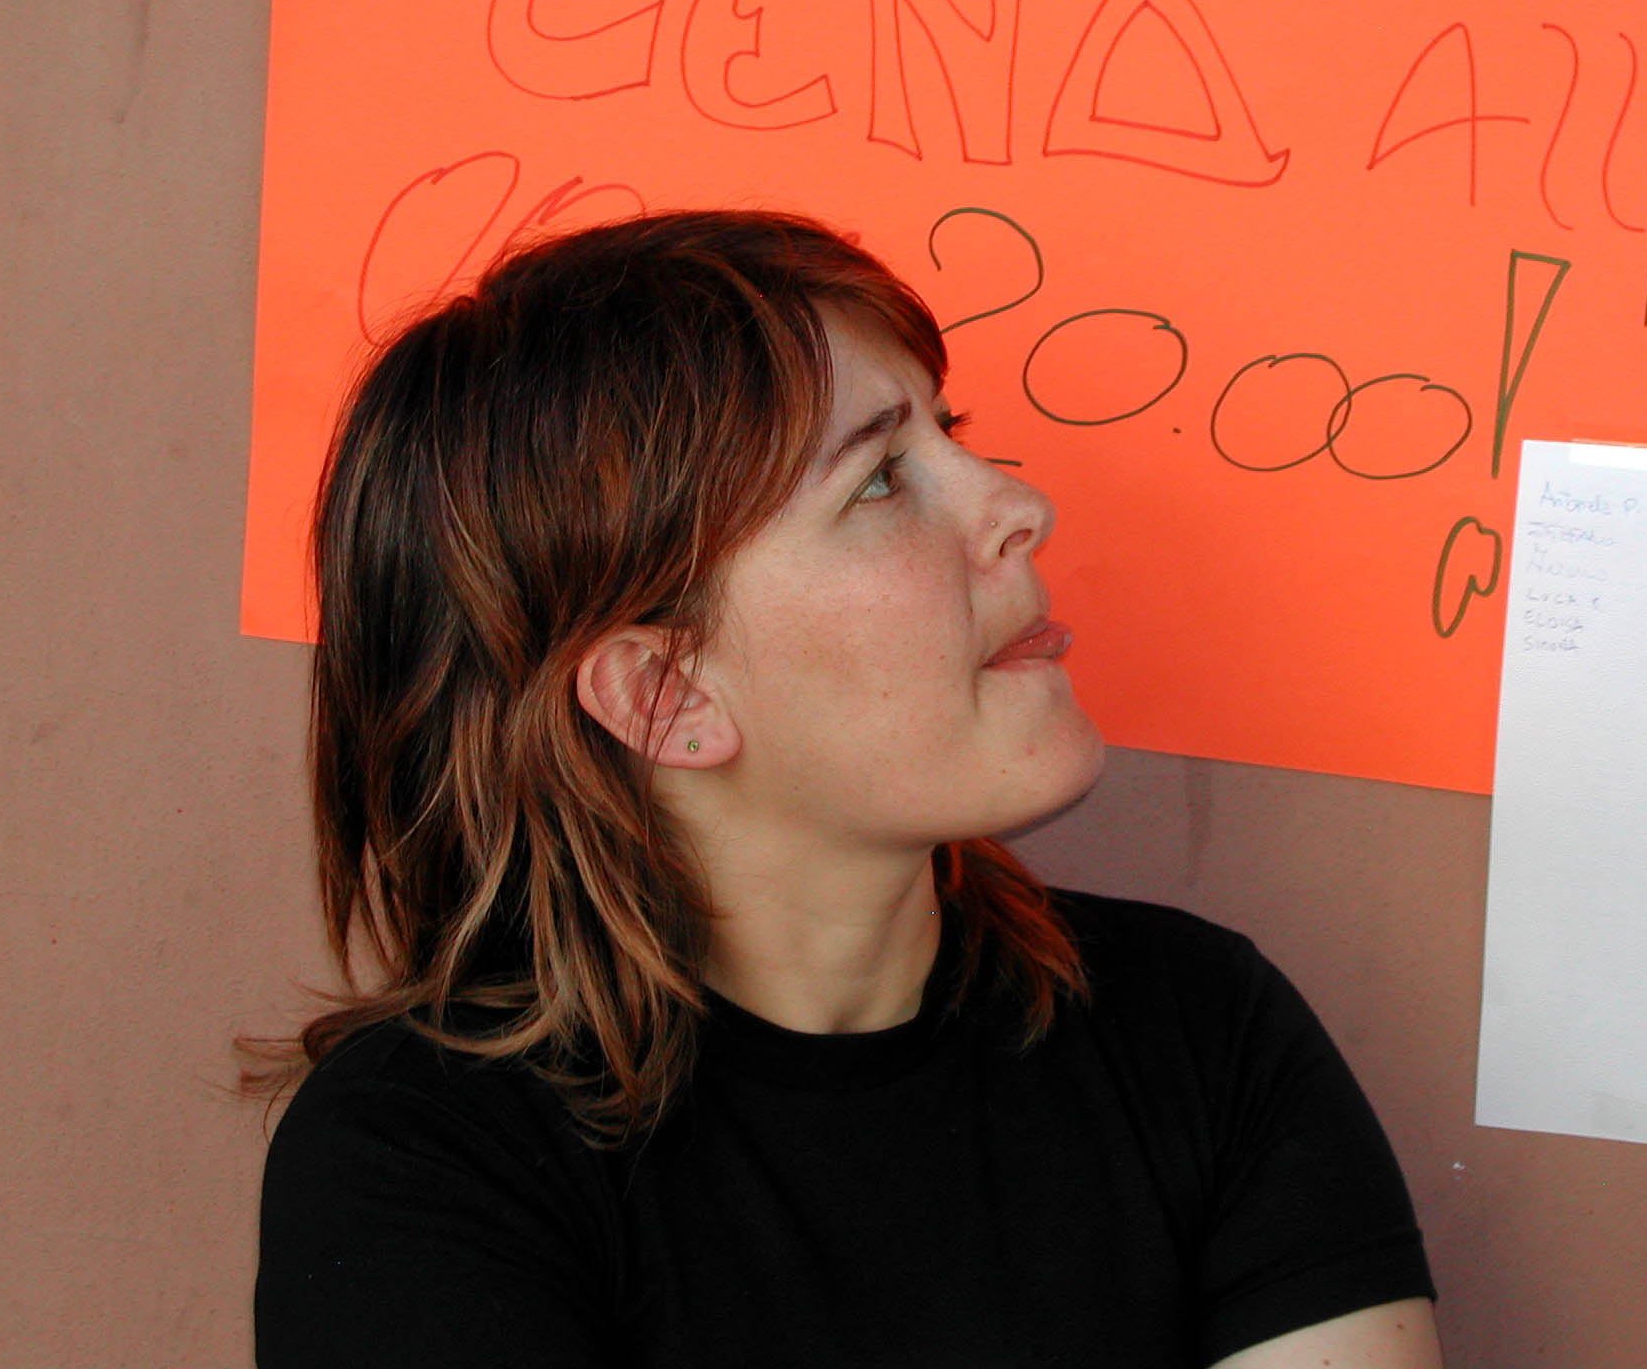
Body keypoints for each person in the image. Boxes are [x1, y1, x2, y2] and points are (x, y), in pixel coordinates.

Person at [249, 210, 1443, 1368]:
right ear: (666, 694)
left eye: (949, 432)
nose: (1018, 507)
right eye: (877, 480)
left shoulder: (1195, 1030)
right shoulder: (426, 1158)